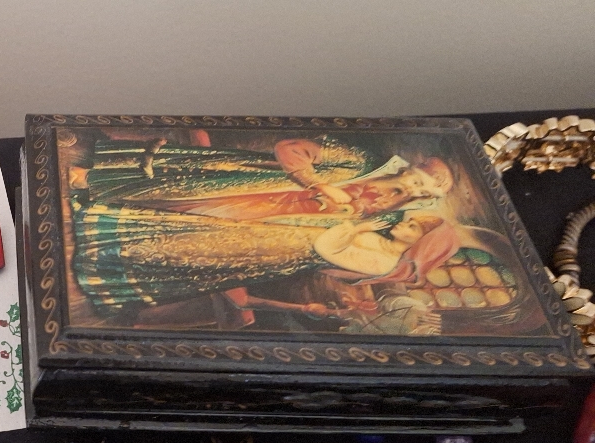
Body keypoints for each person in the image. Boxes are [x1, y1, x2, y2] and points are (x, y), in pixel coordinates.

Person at [71, 202, 457, 325]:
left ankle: (105, 261)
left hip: (283, 253)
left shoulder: (382, 260)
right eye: (409, 220)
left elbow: (327, 249)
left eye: (411, 227)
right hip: (279, 240)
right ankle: (106, 235)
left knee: (201, 254)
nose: (402, 224)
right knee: (203, 236)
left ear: (421, 245)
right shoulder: (382, 244)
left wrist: (355, 226)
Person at [69, 136, 453, 220]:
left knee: (177, 213)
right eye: (420, 180)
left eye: (424, 192)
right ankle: (88, 180)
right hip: (247, 182)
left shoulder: (386, 208)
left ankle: (95, 203)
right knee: (171, 186)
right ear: (412, 167)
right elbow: (290, 149)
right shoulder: (361, 159)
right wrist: (319, 184)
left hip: (267, 216)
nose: (415, 188)